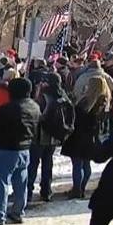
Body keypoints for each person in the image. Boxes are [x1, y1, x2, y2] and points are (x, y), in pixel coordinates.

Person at [0, 78, 41, 225]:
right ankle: (18, 212)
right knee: (21, 182)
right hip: (26, 148)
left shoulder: (10, 108)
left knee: (1, 182)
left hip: (8, 148)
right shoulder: (34, 106)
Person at [62, 76, 111, 199]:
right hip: (92, 137)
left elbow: (78, 118)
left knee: (77, 164)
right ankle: (82, 187)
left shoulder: (87, 102)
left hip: (80, 135)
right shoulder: (104, 102)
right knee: (86, 163)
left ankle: (77, 189)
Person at [27, 73, 73, 202]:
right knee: (47, 164)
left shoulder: (44, 96)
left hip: (40, 135)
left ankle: (28, 191)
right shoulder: (63, 96)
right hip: (54, 136)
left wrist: (37, 94)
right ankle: (46, 191)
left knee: (33, 164)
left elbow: (37, 114)